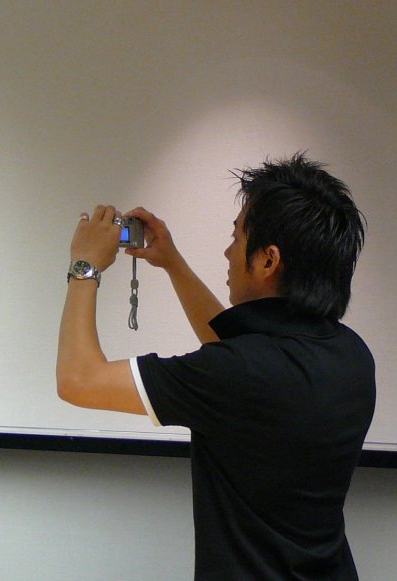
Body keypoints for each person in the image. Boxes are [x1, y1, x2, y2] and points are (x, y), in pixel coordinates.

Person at [55, 154, 374, 580]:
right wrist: (172, 263)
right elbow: (237, 353)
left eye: (237, 237)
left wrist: (85, 266)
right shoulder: (351, 355)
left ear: (268, 260)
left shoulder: (237, 374)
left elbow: (78, 380)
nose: (227, 252)